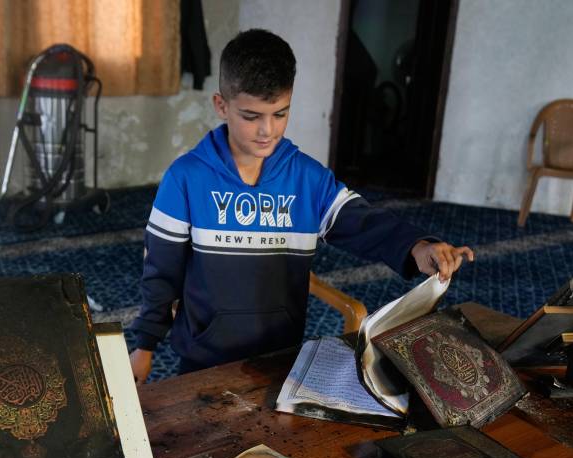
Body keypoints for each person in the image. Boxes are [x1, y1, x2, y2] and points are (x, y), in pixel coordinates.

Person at [128, 29, 474, 382]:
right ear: (222, 106)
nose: (267, 130)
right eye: (251, 116)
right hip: (202, 361)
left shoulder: (308, 179)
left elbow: (364, 223)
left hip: (281, 359)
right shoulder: (185, 179)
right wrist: (145, 346)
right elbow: (161, 272)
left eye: (280, 114)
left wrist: (418, 247)